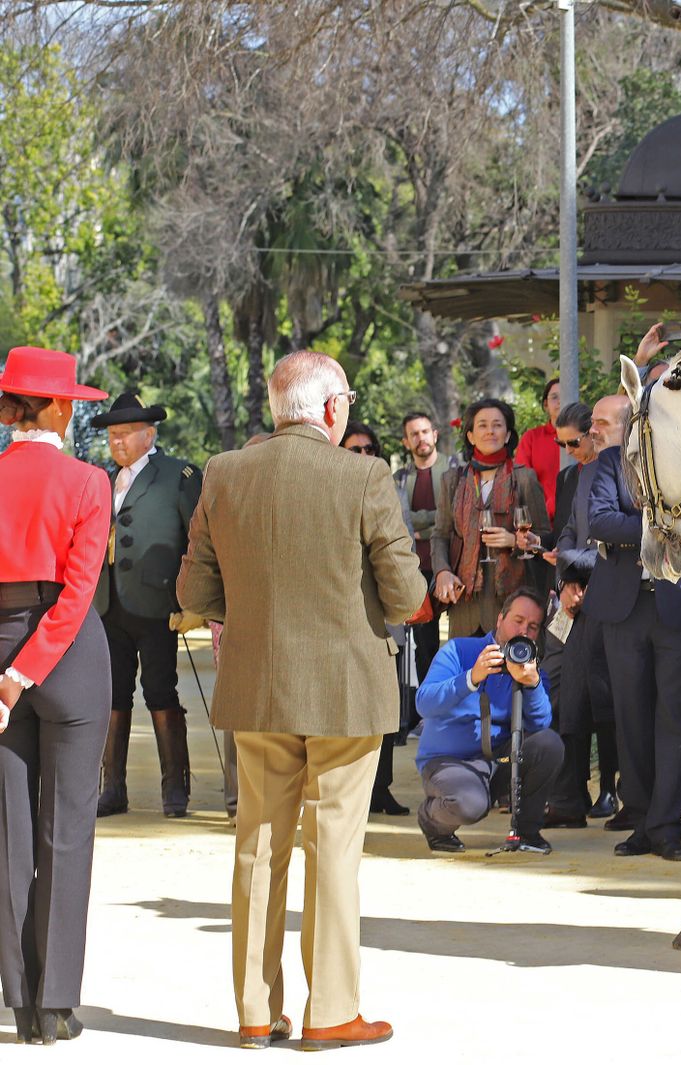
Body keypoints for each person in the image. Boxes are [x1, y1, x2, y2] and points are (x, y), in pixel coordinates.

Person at [178, 350, 426, 1050]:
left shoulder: (224, 474)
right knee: (332, 848)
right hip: (346, 691)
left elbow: (192, 596)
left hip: (256, 687)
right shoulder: (365, 475)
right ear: (328, 409)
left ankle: (255, 1010)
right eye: (344, 397)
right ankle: (331, 1011)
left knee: (258, 848)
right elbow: (407, 598)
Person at [0, 347, 111, 1045]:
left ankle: (15, 996)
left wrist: (7, 675)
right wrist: (29, 670)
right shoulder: (87, 480)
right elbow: (77, 593)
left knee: (7, 834)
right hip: (66, 654)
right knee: (66, 829)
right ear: (63, 408)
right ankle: (55, 1004)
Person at [587, 392, 681, 862]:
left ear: (631, 422)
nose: (595, 430)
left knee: (675, 720)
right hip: (624, 608)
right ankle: (638, 819)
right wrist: (657, 522)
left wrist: (652, 525)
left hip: (678, 607)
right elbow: (599, 520)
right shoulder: (608, 465)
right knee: (631, 719)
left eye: (604, 422)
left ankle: (666, 828)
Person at [87, 391, 204, 818]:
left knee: (160, 691)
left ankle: (176, 790)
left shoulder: (178, 475)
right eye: (112, 435)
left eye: (124, 434)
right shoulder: (100, 478)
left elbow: (199, 541)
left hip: (157, 604)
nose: (116, 442)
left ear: (149, 433)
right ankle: (112, 788)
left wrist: (192, 600)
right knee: (113, 695)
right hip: (107, 604)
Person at [413, 588, 563, 854]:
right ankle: (432, 821)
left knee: (549, 744)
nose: (524, 632)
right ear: (499, 619)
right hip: (448, 761)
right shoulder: (460, 650)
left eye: (532, 626)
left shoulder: (530, 666)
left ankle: (527, 832)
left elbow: (541, 724)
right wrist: (471, 677)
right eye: (517, 621)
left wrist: (532, 684)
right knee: (470, 805)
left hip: (499, 761)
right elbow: (424, 703)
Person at [542, 402, 622, 827]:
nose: (571, 449)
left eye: (576, 440)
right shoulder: (582, 475)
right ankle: (568, 799)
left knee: (609, 704)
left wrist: (585, 580)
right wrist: (568, 581)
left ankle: (613, 790)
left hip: (611, 598)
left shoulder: (630, 469)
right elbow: (570, 532)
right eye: (565, 444)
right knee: (567, 700)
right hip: (573, 603)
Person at [431, 398, 552, 636]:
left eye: (497, 425)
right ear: (470, 436)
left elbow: (546, 538)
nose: (490, 431)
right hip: (465, 607)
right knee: (467, 671)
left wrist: (514, 541)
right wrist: (442, 571)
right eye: (482, 425)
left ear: (508, 435)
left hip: (512, 607)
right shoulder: (453, 480)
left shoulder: (524, 479)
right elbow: (440, 535)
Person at [340, 423, 411, 818]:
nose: (364, 457)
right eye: (354, 450)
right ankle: (352, 793)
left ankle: (380, 787)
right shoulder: (331, 488)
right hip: (346, 616)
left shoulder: (388, 488)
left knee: (386, 711)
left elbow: (405, 543)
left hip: (387, 616)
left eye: (370, 450)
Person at [394, 411, 446, 705]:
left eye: (425, 431)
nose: (421, 438)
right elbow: (399, 523)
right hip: (417, 571)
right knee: (425, 644)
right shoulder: (400, 479)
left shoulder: (453, 470)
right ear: (406, 441)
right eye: (414, 434)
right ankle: (427, 708)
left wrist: (419, 523)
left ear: (435, 434)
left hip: (450, 566)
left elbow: (448, 516)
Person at [512, 377, 562, 523]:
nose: (560, 401)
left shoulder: (586, 437)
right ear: (545, 404)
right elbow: (522, 483)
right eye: (554, 397)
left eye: (565, 395)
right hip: (542, 522)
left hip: (580, 520)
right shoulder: (531, 438)